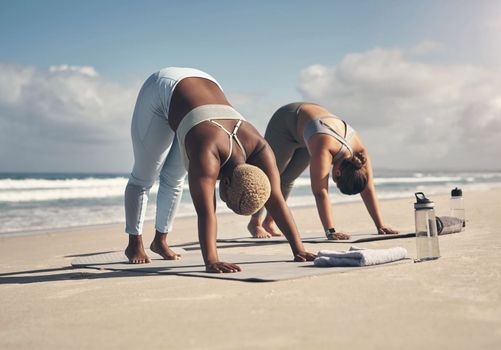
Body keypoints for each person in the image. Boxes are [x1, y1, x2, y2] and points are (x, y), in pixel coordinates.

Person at [124, 68, 316, 273]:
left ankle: (159, 242)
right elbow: (207, 212)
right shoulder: (206, 154)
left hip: (204, 85)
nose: (221, 200)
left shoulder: (261, 149)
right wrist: (211, 260)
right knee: (144, 176)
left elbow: (276, 198)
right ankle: (134, 244)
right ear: (225, 183)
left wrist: (298, 249)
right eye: (226, 200)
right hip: (162, 88)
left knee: (174, 178)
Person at [247, 102, 399, 239]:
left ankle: (269, 222)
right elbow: (320, 192)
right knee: (269, 176)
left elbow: (368, 189)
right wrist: (330, 231)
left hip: (308, 130)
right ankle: (255, 222)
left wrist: (381, 225)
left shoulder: (360, 153)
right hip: (286, 120)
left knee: (287, 180)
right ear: (337, 173)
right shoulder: (324, 147)